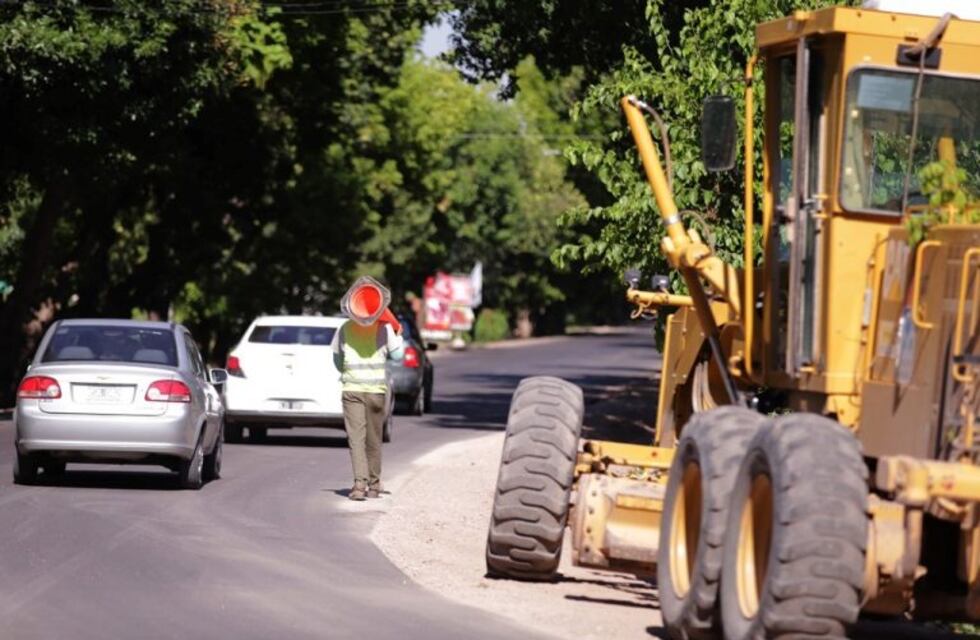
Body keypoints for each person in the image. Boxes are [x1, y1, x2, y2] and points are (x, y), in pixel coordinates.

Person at [331, 307, 404, 501]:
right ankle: (374, 485)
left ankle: (359, 486)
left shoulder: (344, 328)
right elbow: (397, 356)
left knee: (356, 439)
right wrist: (399, 336)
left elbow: (338, 362)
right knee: (374, 439)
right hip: (376, 392)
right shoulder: (385, 328)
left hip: (352, 389)